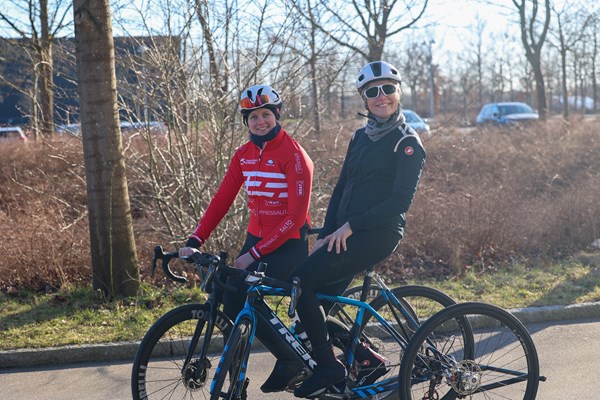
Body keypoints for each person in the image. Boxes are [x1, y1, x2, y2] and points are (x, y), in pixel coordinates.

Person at [290, 61, 427, 398]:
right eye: (372, 92)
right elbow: (341, 189)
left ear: (398, 93)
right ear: (364, 100)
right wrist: (327, 233)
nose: (382, 97)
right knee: (319, 302)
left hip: (378, 233)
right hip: (346, 232)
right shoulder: (360, 137)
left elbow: (399, 202)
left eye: (388, 89)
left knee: (303, 282)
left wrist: (351, 227)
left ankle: (328, 369)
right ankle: (368, 359)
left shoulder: (406, 142)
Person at [179, 84, 314, 393]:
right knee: (230, 299)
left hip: (288, 243)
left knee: (246, 298)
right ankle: (235, 380)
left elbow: (294, 217)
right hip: (255, 240)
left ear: (277, 116)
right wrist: (196, 239)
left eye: (266, 114)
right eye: (252, 117)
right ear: (246, 122)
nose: (260, 122)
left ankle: (290, 359)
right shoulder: (244, 155)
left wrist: (254, 254)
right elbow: (221, 200)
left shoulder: (294, 155)